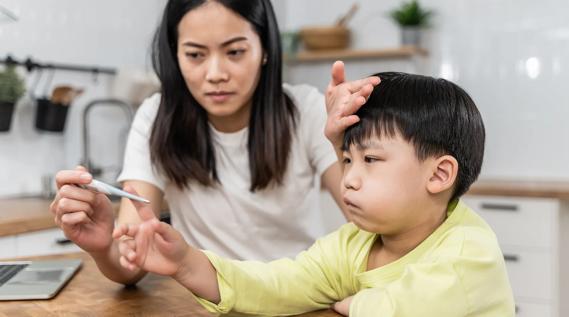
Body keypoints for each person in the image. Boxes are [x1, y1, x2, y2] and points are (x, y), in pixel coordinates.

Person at [111, 70, 516, 316]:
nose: (350, 179)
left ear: (439, 174)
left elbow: (401, 311)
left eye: (370, 160)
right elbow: (279, 283)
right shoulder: (353, 243)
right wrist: (186, 263)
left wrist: (355, 303)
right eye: (346, 161)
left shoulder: (469, 253)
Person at [49, 0, 380, 285]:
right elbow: (132, 261)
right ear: (175, 55)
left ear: (265, 49)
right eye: (195, 55)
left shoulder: (306, 110)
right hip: (205, 298)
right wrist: (103, 248)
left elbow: (373, 225)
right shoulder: (156, 117)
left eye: (235, 52)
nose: (215, 73)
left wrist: (346, 143)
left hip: (300, 292)